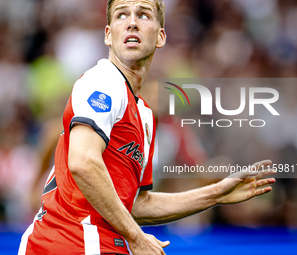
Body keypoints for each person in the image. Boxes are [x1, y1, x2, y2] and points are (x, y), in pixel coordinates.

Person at [18, 0, 276, 254]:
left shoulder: (145, 117)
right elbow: (82, 162)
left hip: (102, 243)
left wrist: (216, 194)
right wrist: (136, 237)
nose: (131, 22)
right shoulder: (104, 80)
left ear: (161, 36)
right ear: (108, 35)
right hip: (68, 241)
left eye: (143, 15)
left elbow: (137, 204)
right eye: (121, 15)